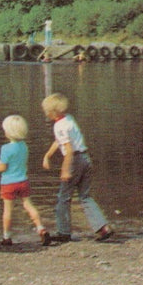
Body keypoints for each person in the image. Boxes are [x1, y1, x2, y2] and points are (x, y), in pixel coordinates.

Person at [41, 93, 113, 242]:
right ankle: (103, 228)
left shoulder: (59, 126)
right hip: (85, 158)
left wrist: (65, 170)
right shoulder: (69, 119)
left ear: (53, 113)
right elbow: (59, 142)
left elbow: (68, 150)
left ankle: (64, 232)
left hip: (74, 160)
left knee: (63, 197)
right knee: (85, 196)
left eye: (46, 111)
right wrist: (48, 155)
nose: (45, 113)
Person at [0, 115, 51, 246]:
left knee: (8, 210)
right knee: (28, 205)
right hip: (23, 181)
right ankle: (40, 228)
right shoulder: (24, 146)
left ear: (8, 132)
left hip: (8, 183)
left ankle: (6, 237)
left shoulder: (5, 148)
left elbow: (3, 167)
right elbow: (16, 162)